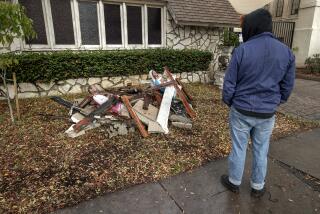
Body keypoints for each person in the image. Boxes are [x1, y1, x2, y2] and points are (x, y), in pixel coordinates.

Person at [220, 8, 295, 198]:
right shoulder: (286, 52)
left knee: (239, 147)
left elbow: (229, 83)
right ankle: (258, 186)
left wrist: (230, 102)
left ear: (252, 27)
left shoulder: (242, 50)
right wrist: (277, 102)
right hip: (266, 113)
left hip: (241, 109)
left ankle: (234, 182)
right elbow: (287, 86)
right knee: (261, 150)